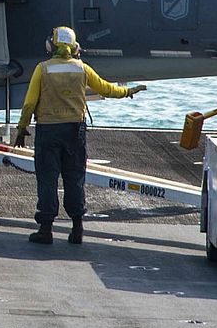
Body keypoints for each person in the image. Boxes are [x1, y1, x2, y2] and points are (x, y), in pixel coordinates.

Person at [11, 26, 145, 244]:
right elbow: (106, 89)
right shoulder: (82, 69)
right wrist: (127, 91)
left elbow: (29, 104)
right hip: (75, 132)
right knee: (74, 179)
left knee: (47, 180)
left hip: (48, 132)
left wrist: (21, 129)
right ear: (74, 47)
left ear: (51, 46)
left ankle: (46, 230)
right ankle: (77, 228)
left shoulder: (42, 69)